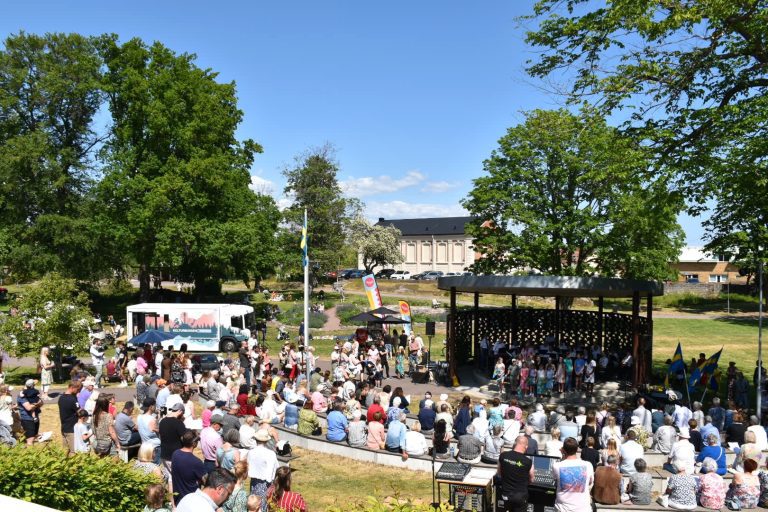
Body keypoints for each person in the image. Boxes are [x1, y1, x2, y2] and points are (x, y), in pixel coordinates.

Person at [552, 437, 594, 512]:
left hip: (563, 509)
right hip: (583, 509)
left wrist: (563, 456)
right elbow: (590, 482)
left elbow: (555, 480)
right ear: (577, 449)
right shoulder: (588, 465)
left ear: (563, 450)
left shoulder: (556, 466)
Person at [497, 435, 533, 512]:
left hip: (505, 495)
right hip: (520, 497)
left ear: (515, 444)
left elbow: (499, 473)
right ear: (526, 447)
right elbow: (532, 479)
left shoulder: (503, 456)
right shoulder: (528, 461)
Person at [172, 430, 207, 506]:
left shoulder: (175, 454)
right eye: (197, 441)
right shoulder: (196, 462)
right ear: (194, 443)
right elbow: (205, 481)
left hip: (177, 499)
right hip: (191, 499)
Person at [247, 430, 278, 510]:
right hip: (265, 483)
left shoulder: (251, 452)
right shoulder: (270, 454)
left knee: (253, 503)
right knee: (262, 505)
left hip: (254, 482)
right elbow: (274, 469)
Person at [159, 402, 188, 472]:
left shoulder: (162, 421)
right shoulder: (178, 423)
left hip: (164, 454)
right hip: (175, 456)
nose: (182, 415)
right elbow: (185, 437)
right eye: (183, 413)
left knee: (170, 478)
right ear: (180, 411)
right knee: (178, 479)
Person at [18, 379, 43, 446]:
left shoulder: (33, 393)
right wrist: (37, 404)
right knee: (30, 439)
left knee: (34, 436)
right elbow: (28, 408)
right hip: (27, 419)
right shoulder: (22, 396)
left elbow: (41, 403)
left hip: (35, 418)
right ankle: (29, 452)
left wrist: (37, 403)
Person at [58, 380, 81, 453]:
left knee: (65, 451)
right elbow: (79, 412)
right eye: (78, 390)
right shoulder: (72, 399)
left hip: (64, 427)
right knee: (73, 451)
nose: (78, 392)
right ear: (72, 387)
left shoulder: (61, 398)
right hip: (72, 429)